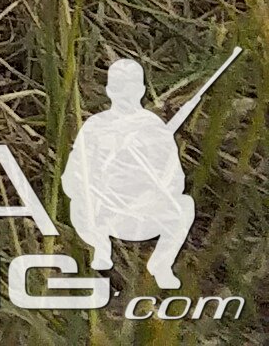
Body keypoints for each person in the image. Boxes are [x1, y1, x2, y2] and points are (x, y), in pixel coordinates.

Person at [61, 58, 198, 288]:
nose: (125, 93)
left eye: (131, 86)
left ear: (141, 90)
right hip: (103, 213)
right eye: (119, 86)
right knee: (78, 205)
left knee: (184, 206)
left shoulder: (154, 127)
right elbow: (71, 176)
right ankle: (101, 249)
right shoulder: (95, 126)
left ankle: (161, 265)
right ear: (109, 90)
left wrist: (154, 192)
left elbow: (177, 180)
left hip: (145, 213)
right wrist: (95, 190)